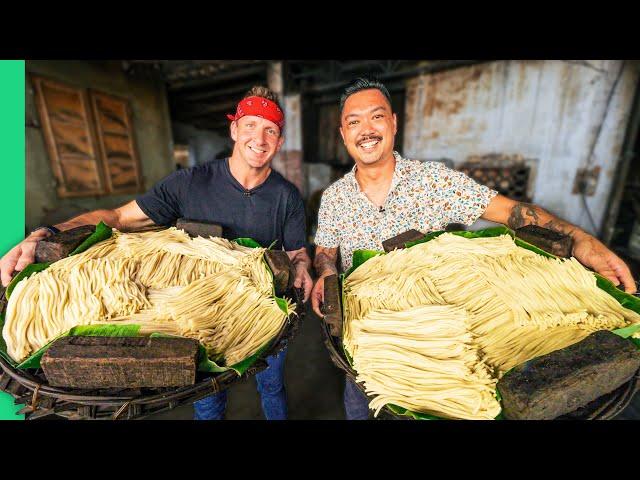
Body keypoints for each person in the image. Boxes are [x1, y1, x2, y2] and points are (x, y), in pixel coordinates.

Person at [309, 77, 637, 420]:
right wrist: (327, 274)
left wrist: (582, 239)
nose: (366, 129)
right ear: (343, 133)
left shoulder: (434, 181)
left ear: (393, 122)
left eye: (376, 116)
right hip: (370, 343)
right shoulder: (334, 198)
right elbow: (326, 252)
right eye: (354, 121)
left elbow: (510, 212)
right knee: (359, 407)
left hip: (442, 345)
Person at [1, 86, 313, 420]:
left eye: (271, 130)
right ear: (234, 129)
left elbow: (296, 252)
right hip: (199, 322)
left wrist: (302, 267)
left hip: (260, 313)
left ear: (279, 142)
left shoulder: (287, 196)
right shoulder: (188, 183)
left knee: (271, 386)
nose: (260, 138)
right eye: (250, 125)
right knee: (208, 401)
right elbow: (119, 218)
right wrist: (44, 233)